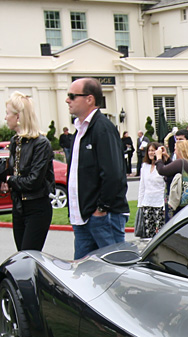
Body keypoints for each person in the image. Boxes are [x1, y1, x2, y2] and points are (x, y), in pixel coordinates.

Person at [65, 78, 129, 259]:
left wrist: (101, 209)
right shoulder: (80, 130)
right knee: (83, 274)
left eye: (72, 96)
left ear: (89, 99)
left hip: (102, 217)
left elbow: (114, 173)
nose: (67, 100)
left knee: (115, 270)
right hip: (83, 218)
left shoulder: (102, 128)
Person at [0, 91, 54, 252]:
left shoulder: (41, 144)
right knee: (22, 257)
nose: (5, 117)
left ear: (18, 117)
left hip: (37, 207)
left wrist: (9, 180)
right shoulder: (15, 141)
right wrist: (2, 180)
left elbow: (33, 181)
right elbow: (14, 173)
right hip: (18, 206)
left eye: (7, 113)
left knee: (28, 256)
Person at [155, 140, 188, 219]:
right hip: (182, 203)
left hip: (177, 204)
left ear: (180, 150)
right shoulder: (185, 163)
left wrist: (158, 157)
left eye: (175, 149)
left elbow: (162, 170)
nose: (174, 152)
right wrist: (167, 157)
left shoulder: (181, 162)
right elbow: (172, 170)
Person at [135, 141, 166, 239]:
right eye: (149, 150)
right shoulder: (144, 166)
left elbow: (165, 186)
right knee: (148, 234)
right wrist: (140, 205)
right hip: (147, 203)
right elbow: (142, 186)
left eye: (153, 150)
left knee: (161, 233)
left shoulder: (163, 166)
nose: (151, 153)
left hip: (160, 204)